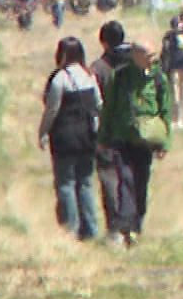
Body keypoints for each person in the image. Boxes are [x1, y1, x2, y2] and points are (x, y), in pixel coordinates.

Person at [99, 42, 171, 247]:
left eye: (154, 55)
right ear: (135, 55)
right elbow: (109, 108)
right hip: (122, 137)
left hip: (146, 141)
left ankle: (136, 225)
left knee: (141, 183)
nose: (152, 59)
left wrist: (165, 143)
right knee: (126, 180)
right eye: (148, 55)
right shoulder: (120, 76)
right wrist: (103, 138)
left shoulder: (159, 78)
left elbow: (165, 110)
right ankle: (124, 226)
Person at [38, 36, 102, 240]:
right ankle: (90, 228)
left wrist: (43, 132)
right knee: (86, 183)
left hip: (64, 138)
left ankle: (70, 229)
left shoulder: (60, 78)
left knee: (66, 184)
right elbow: (98, 105)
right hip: (87, 137)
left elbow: (52, 109)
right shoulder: (89, 76)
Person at [90, 20, 133, 239]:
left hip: (107, 132)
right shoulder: (135, 64)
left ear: (103, 42)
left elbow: (93, 103)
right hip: (133, 131)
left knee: (109, 179)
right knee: (132, 179)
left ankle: (115, 229)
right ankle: (131, 226)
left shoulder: (98, 68)